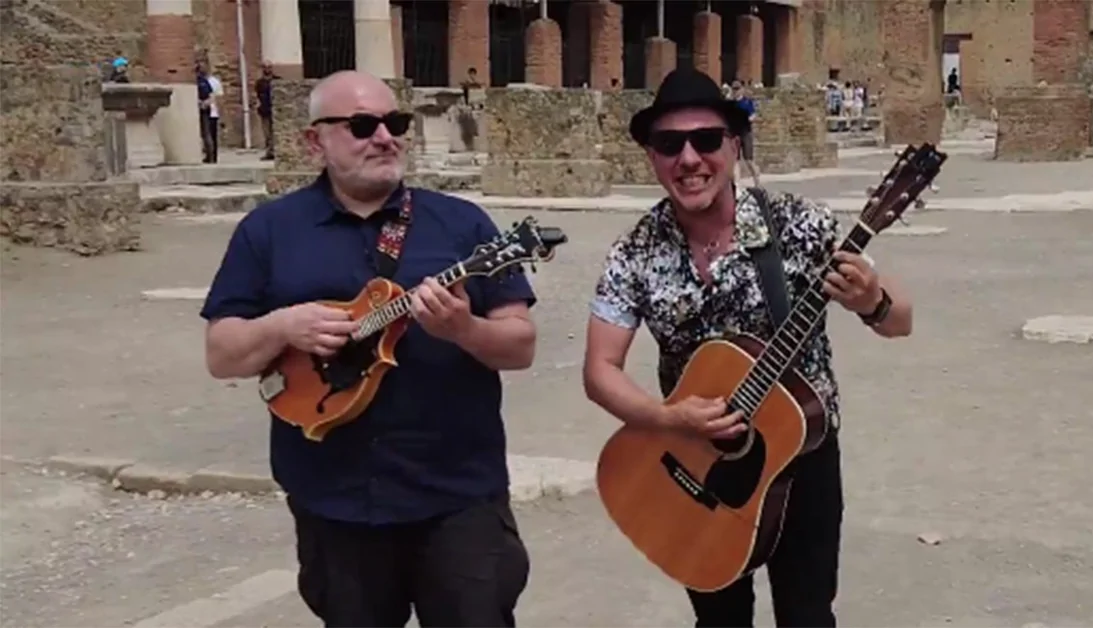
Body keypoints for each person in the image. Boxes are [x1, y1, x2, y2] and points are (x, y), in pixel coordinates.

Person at [199, 70, 537, 627]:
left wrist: (464, 330)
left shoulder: (462, 225)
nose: (384, 137)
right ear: (315, 142)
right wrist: (284, 326)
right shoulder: (269, 231)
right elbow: (221, 354)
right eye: (362, 126)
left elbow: (520, 346)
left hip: (456, 496)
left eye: (394, 123)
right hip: (333, 499)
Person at [582, 67, 914, 627]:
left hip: (799, 459)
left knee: (807, 616)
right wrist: (668, 418)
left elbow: (900, 321)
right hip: (695, 461)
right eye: (669, 144)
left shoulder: (799, 226)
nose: (689, 158)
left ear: (734, 145)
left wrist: (872, 300)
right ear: (651, 156)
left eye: (706, 139)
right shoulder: (634, 252)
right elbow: (600, 369)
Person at [255, 60, 276, 160]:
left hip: (275, 110)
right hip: (264, 110)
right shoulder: (260, 83)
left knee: (275, 132)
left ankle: (275, 151)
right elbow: (257, 96)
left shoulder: (276, 81)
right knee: (267, 133)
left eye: (269, 67)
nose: (267, 69)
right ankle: (269, 152)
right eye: (265, 67)